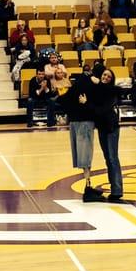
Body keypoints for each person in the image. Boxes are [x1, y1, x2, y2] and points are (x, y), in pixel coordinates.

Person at [57, 66, 105, 203]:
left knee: (83, 156)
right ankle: (88, 188)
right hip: (85, 123)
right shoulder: (93, 86)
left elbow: (61, 100)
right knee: (86, 156)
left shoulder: (76, 85)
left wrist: (71, 110)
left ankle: (88, 185)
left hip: (74, 123)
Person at [79, 68, 124, 202]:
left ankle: (117, 191)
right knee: (108, 158)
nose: (105, 77)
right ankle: (115, 189)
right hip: (102, 128)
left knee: (112, 158)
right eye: (104, 74)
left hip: (111, 128)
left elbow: (101, 111)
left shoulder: (111, 92)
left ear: (112, 79)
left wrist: (87, 103)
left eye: (109, 76)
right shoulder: (99, 90)